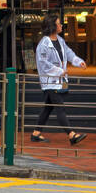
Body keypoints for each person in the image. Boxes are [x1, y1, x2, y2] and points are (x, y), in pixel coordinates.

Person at [31, 13, 87, 145]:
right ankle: (71, 135)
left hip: (59, 80)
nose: (61, 25)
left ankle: (36, 133)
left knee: (48, 107)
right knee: (59, 107)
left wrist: (78, 62)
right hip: (50, 81)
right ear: (53, 26)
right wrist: (60, 71)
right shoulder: (43, 44)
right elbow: (43, 64)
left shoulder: (60, 40)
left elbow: (69, 53)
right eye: (59, 23)